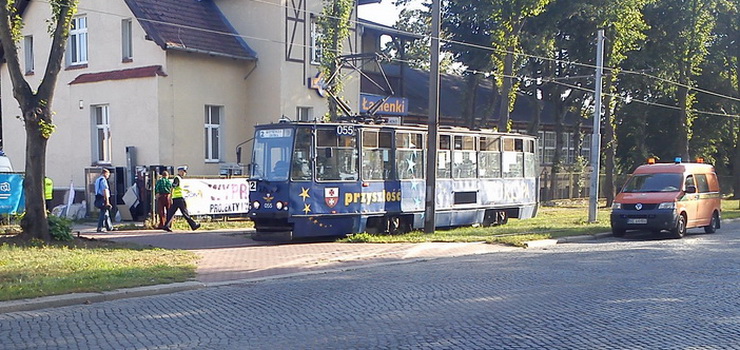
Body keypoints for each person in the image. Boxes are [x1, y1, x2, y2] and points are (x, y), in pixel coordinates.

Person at [162, 166, 200, 232]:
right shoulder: (177, 178)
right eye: (184, 171)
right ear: (180, 171)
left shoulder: (179, 178)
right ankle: (193, 225)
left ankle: (166, 226)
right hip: (179, 199)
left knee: (171, 213)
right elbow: (173, 187)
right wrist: (170, 197)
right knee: (185, 213)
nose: (185, 173)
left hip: (176, 198)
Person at [94, 168, 114, 233]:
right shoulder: (103, 180)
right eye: (108, 175)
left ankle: (109, 227)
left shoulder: (97, 180)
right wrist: (107, 201)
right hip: (103, 197)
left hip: (98, 197)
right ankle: (100, 227)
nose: (108, 176)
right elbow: (105, 190)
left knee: (106, 213)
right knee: (103, 212)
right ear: (105, 173)